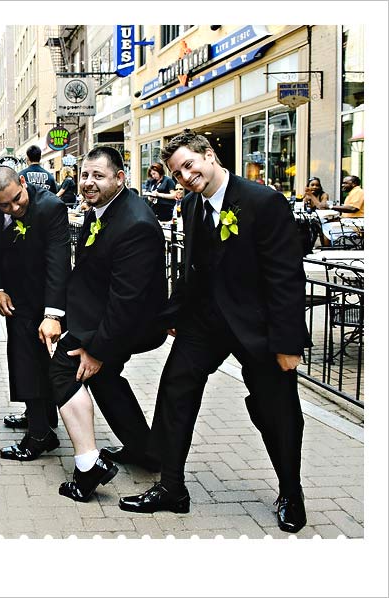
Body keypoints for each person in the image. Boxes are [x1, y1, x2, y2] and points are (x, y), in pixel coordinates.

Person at [120, 129, 309, 534]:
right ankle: (171, 487)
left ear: (210, 155)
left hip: (257, 328)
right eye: (177, 172)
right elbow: (196, 267)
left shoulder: (263, 201)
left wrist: (289, 343)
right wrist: (175, 313)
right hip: (203, 324)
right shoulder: (191, 205)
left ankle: (291, 492)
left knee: (277, 411)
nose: (185, 177)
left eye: (189, 165)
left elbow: (286, 277)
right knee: (174, 391)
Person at [49, 147, 167, 502]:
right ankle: (145, 451)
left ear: (120, 178)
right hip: (103, 316)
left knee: (63, 368)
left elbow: (126, 300)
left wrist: (97, 350)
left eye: (98, 176)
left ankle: (88, 467)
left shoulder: (136, 224)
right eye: (85, 175)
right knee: (105, 380)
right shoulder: (101, 211)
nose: (88, 182)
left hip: (130, 323)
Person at [0, 166, 70, 459]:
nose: (14, 207)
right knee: (23, 359)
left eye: (17, 199)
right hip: (15, 298)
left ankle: (39, 436)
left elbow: (59, 262)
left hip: (46, 298)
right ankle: (40, 418)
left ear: (23, 182)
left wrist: (53, 314)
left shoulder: (51, 208)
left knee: (32, 363)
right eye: (5, 205)